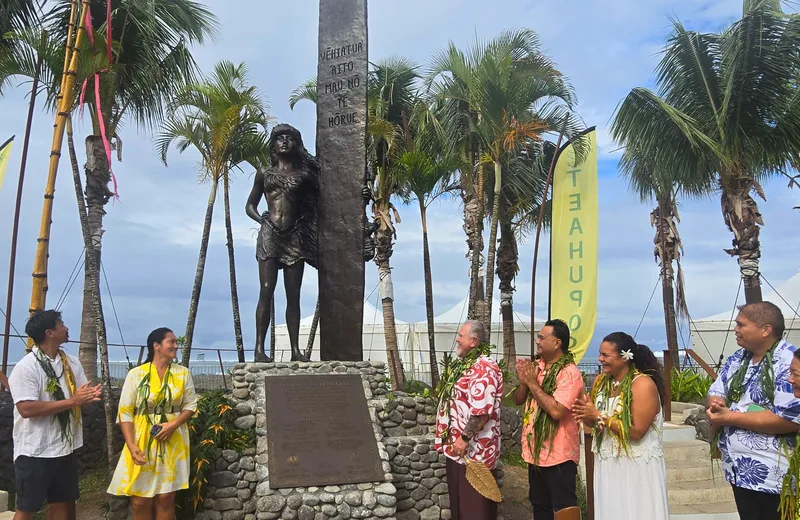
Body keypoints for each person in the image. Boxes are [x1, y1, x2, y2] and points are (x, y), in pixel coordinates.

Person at [705, 302, 800, 520]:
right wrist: (716, 403)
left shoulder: (790, 362)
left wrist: (729, 417)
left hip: (774, 474)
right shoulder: (738, 358)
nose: (735, 329)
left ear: (766, 329)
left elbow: (790, 418)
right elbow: (716, 390)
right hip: (738, 469)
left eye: (741, 324)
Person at [9, 310, 101, 520]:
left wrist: (88, 396)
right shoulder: (26, 367)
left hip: (64, 447)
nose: (66, 328)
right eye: (61, 324)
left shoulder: (71, 362)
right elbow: (26, 409)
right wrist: (73, 401)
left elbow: (79, 393)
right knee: (26, 508)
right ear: (49, 332)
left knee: (61, 504)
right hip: (35, 451)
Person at [573, 332, 669, 520]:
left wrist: (598, 415)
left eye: (606, 355)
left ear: (625, 357)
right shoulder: (601, 383)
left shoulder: (642, 384)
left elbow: (636, 431)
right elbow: (594, 424)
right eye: (600, 354)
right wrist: (585, 413)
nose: (600, 359)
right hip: (608, 464)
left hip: (635, 467)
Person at [245, 123, 318, 363]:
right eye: (279, 138)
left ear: (296, 144)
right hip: (270, 234)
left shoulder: (304, 175)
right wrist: (262, 218)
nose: (284, 142)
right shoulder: (264, 173)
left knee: (293, 294)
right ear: (274, 145)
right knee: (266, 290)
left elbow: (328, 197)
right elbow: (250, 205)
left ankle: (296, 350)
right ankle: (258, 349)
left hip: (294, 235)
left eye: (289, 138)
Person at [107, 327, 198, 520]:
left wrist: (173, 425)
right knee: (140, 499)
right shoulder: (136, 374)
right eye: (171, 342)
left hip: (173, 439)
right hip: (141, 438)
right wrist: (131, 446)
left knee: (166, 498)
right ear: (156, 346)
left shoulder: (182, 373)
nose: (176, 345)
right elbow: (125, 412)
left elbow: (190, 405)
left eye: (175, 342)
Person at [514, 319, 583, 520]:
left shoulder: (569, 373)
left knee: (564, 508)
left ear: (557, 343)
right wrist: (525, 383)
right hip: (535, 452)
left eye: (542, 337)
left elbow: (556, 411)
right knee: (539, 505)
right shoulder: (538, 366)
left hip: (559, 455)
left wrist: (532, 383)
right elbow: (519, 400)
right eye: (538, 337)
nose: (537, 341)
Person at [434, 320, 503, 520]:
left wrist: (463, 439)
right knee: (461, 507)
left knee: (474, 510)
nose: (457, 339)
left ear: (473, 341)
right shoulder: (467, 365)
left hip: (474, 452)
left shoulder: (483, 368)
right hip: (459, 451)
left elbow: (481, 412)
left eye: (461, 336)